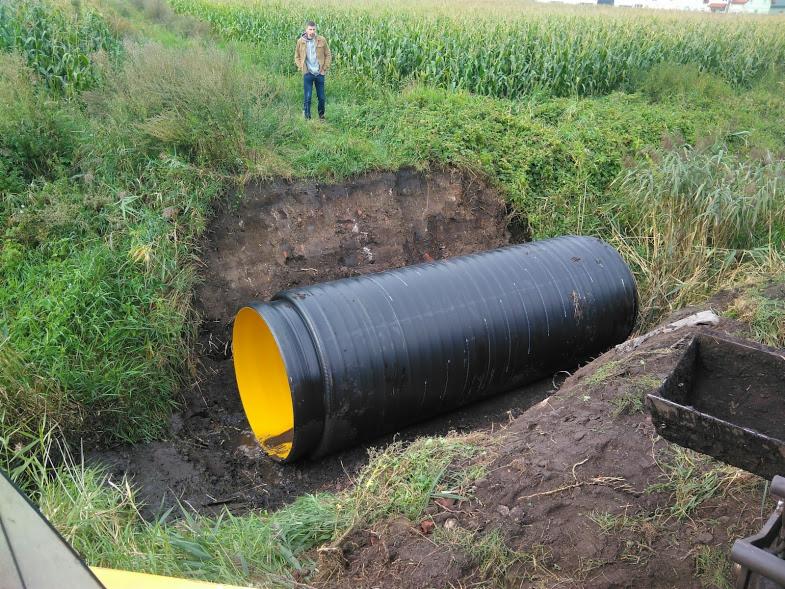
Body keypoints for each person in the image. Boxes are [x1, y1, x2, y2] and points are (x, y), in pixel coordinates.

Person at [294, 21, 332, 120]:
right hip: (308, 73)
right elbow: (297, 56)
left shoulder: (321, 40)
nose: (312, 31)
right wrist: (301, 67)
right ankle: (307, 118)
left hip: (319, 73)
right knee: (308, 97)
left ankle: (321, 117)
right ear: (306, 30)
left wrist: (324, 68)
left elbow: (328, 54)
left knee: (321, 98)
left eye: (314, 29)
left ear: (316, 29)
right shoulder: (300, 41)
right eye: (310, 29)